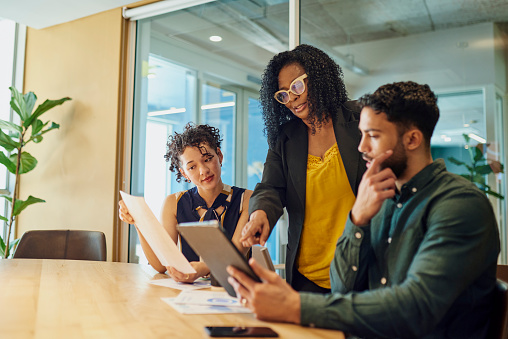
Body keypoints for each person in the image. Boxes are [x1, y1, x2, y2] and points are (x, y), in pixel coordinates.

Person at [228, 81, 500, 338]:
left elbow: (416, 307)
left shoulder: (460, 206)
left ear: (413, 139)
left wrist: (295, 305)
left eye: (373, 136)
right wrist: (357, 219)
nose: (362, 147)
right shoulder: (382, 201)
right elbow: (342, 287)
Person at [240, 44, 367, 293]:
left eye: (297, 86)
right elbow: (270, 188)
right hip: (307, 278)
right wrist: (260, 214)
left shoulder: (361, 119)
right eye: (283, 94)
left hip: (362, 271)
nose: (292, 98)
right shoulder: (285, 139)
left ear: (318, 79)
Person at [120, 123, 252, 282]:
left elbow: (236, 254)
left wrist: (203, 268)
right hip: (189, 292)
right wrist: (137, 220)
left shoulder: (246, 199)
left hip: (237, 290)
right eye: (192, 167)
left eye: (208, 159)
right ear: (184, 173)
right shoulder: (173, 203)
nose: (203, 170)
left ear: (220, 155)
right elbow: (162, 265)